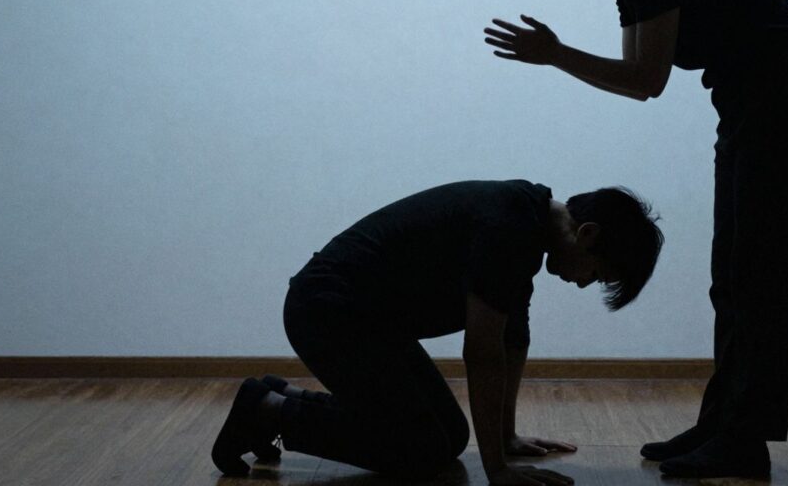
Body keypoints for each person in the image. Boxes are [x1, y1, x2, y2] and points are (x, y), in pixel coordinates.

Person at [485, 0, 788, 479]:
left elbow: (646, 80)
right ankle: (723, 425)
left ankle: (743, 440)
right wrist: (557, 54)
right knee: (733, 277)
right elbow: (636, 78)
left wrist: (556, 54)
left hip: (783, 109)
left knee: (762, 279)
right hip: (749, 109)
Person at [211, 179, 664, 485]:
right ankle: (269, 411)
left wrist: (505, 437)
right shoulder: (509, 228)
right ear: (587, 234)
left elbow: (512, 341)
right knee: (422, 450)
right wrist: (497, 471)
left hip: (368, 322)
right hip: (329, 312)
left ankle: (281, 397)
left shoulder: (527, 223)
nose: (584, 283)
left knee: (449, 435)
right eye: (596, 275)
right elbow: (482, 353)